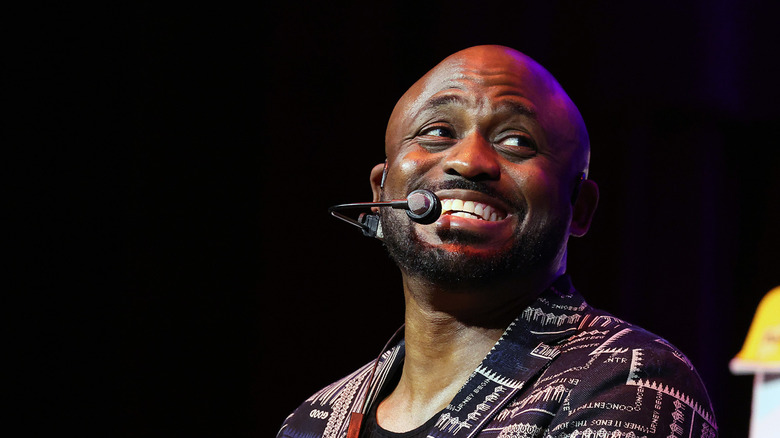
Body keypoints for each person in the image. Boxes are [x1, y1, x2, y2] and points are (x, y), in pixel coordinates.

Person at [277, 45, 718, 438]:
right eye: (438, 132)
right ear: (380, 196)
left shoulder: (630, 380)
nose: (468, 162)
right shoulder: (313, 421)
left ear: (579, 207)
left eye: (516, 141)